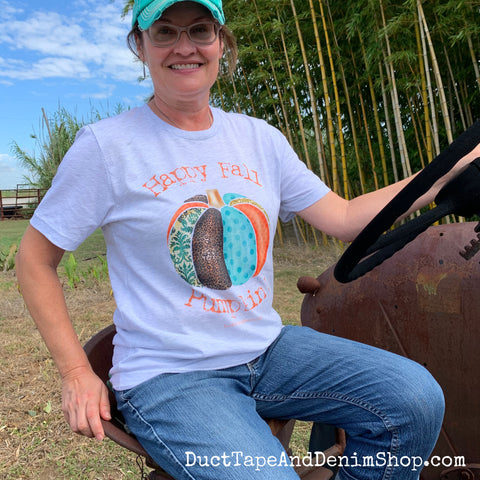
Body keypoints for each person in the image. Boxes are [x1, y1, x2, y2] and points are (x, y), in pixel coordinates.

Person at [15, 1, 480, 479]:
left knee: (414, 400)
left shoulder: (260, 139)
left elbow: (342, 216)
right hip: (171, 375)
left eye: (199, 30)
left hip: (268, 350)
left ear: (221, 43)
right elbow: (34, 260)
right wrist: (76, 373)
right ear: (140, 46)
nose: (184, 47)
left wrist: (447, 176)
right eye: (165, 32)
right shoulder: (106, 146)